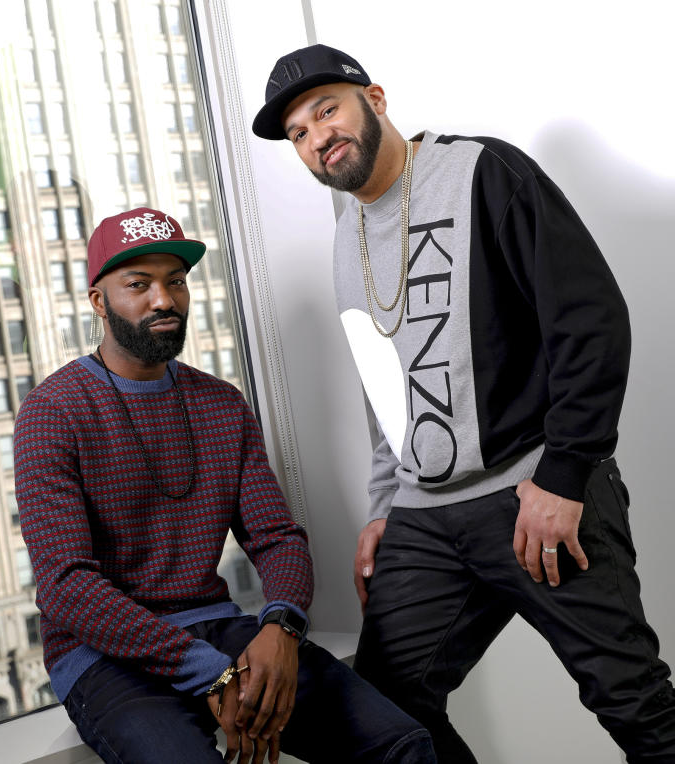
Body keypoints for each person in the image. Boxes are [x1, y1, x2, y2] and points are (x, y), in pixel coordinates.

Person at [251, 43, 675, 762]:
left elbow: (591, 318)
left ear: (375, 99)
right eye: (297, 133)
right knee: (383, 715)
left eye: (328, 111)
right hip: (426, 517)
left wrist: (565, 474)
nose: (317, 137)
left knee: (631, 700)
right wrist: (385, 507)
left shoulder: (483, 171)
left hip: (533, 489)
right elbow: (381, 391)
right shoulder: (343, 240)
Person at [13, 206, 435, 763]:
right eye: (138, 285)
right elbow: (66, 586)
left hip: (216, 629)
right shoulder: (54, 410)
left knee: (402, 747)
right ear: (99, 301)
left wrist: (282, 627)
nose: (163, 300)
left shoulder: (220, 404)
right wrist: (212, 674)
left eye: (175, 281)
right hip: (102, 656)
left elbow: (277, 537)